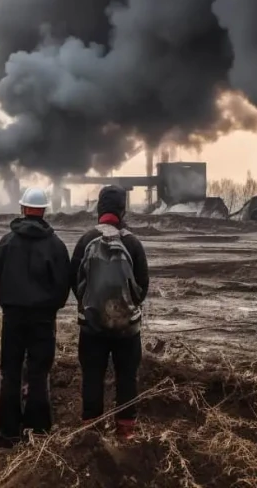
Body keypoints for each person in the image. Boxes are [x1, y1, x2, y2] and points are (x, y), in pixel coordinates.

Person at [0, 187, 72, 445]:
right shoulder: (56, 246)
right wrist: (51, 308)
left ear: (23, 209)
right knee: (39, 371)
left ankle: (8, 429)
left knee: (10, 370)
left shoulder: (6, 242)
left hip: (12, 316)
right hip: (43, 319)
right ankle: (39, 429)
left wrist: (7, 304)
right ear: (44, 211)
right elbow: (63, 285)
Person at [70, 185, 149, 440]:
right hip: (127, 329)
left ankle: (91, 433)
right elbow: (142, 286)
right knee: (127, 377)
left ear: (99, 208)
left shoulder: (85, 240)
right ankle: (125, 431)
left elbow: (75, 281)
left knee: (92, 376)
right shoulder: (133, 243)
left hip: (92, 327)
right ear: (122, 210)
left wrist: (89, 305)